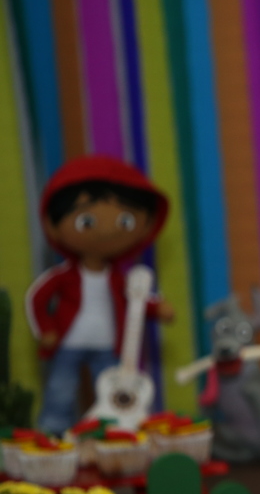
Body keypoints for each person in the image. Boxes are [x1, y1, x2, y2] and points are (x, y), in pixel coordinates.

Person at [25, 155, 173, 435]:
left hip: (108, 344)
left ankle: (112, 432)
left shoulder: (119, 279)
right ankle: (53, 431)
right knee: (61, 387)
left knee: (113, 393)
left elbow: (136, 300)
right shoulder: (63, 277)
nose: (107, 230)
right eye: (87, 220)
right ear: (53, 225)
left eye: (126, 220)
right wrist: (46, 329)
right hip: (69, 341)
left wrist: (157, 309)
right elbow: (37, 300)